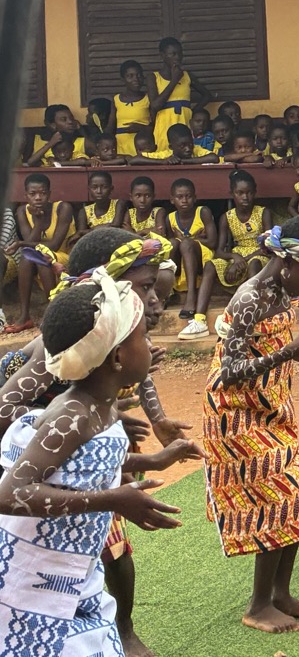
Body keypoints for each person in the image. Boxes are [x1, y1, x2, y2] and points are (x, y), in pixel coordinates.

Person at [2, 226, 193, 657]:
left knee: (106, 555)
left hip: (81, 458)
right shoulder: (66, 352)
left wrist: (150, 427)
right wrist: (65, 429)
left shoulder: (112, 350)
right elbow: (5, 413)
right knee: (100, 555)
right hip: (47, 471)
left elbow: (137, 373)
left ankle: (116, 630)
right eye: (146, 287)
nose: (155, 301)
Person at [203, 217, 299, 634]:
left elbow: (269, 348)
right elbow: (228, 372)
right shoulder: (249, 298)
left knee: (297, 496)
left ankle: (281, 595)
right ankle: (258, 605)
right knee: (279, 496)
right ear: (287, 263)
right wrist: (288, 352)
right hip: (234, 413)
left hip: (270, 407)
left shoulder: (282, 291)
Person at [5, 173, 73, 334]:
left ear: (49, 194)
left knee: (40, 256)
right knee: (28, 257)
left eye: (42, 193)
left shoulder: (63, 208)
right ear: (26, 196)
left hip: (63, 257)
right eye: (33, 194)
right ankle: (24, 316)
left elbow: (55, 244)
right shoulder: (22, 211)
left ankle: (52, 312)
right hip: (39, 258)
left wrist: (21, 243)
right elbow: (31, 242)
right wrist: (39, 222)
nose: (38, 198)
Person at [167, 178, 217, 337]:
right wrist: (186, 240)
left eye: (188, 196)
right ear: (172, 200)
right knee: (173, 243)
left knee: (186, 244)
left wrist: (190, 240)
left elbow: (213, 242)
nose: (184, 200)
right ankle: (169, 291)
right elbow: (171, 247)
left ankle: (191, 297)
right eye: (180, 197)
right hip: (183, 262)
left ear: (195, 198)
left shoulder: (203, 212)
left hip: (203, 258)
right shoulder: (170, 218)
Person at [147, 37, 212, 146]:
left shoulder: (187, 76)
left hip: (185, 121)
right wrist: (174, 80)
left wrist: (192, 111)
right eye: (173, 54)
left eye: (180, 53)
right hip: (164, 124)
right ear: (162, 56)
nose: (177, 57)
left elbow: (207, 95)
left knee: (186, 149)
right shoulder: (153, 77)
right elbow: (155, 105)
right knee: (166, 151)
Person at [108, 60, 152, 158]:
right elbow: (111, 127)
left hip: (142, 145)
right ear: (122, 79)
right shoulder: (116, 99)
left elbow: (156, 126)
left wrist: (141, 128)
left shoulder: (148, 99)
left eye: (139, 75)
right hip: (121, 146)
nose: (136, 79)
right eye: (130, 76)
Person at [74, 171, 126, 245]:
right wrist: (107, 226)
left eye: (104, 187)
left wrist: (92, 229)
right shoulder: (85, 211)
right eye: (94, 187)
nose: (99, 191)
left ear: (111, 189)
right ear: (89, 189)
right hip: (93, 245)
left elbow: (116, 226)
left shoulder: (118, 204)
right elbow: (82, 235)